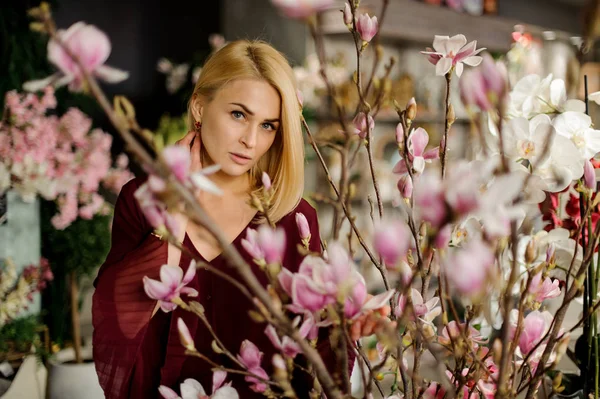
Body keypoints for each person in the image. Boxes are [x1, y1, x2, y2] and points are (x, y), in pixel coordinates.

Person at [92, 39, 354, 399]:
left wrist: (351, 325)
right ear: (200, 107)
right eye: (238, 115)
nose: (250, 140)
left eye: (268, 126)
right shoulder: (142, 199)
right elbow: (120, 322)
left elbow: (320, 348)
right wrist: (177, 214)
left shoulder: (292, 219)